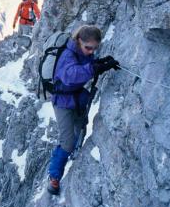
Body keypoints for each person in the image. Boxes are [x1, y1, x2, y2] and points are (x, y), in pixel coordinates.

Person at [47, 25, 120, 195]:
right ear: (79, 41)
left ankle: (75, 151)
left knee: (80, 127)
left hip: (76, 98)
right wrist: (94, 68)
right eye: (88, 47)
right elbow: (71, 75)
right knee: (67, 141)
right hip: (62, 102)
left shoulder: (82, 52)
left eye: (94, 48)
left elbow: (85, 64)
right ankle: (54, 178)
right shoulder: (68, 55)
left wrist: (101, 63)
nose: (90, 51)